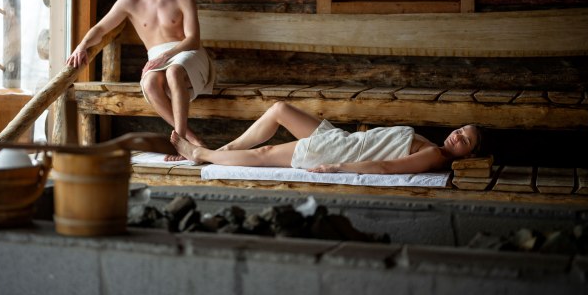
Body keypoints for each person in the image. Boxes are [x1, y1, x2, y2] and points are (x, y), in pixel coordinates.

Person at [66, 0, 215, 158]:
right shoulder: (130, 1)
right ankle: (193, 140)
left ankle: (179, 142)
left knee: (174, 71)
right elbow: (101, 28)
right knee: (149, 82)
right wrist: (82, 45)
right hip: (158, 59)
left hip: (187, 54)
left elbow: (193, 40)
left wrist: (168, 54)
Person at [170, 101, 481, 174]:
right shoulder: (431, 144)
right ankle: (219, 150)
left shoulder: (434, 156)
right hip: (342, 139)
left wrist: (339, 169)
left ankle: (204, 155)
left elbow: (386, 167)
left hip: (339, 153)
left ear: (467, 155)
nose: (458, 136)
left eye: (465, 140)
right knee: (279, 109)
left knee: (265, 154)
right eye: (461, 130)